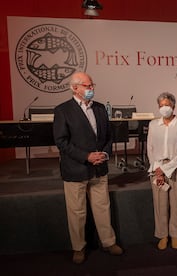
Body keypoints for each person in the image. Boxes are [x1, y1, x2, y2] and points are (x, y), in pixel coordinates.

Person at [53, 72, 123, 264]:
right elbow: (61, 142)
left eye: (92, 85)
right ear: (75, 88)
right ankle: (79, 247)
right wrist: (86, 157)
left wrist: (105, 154)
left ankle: (109, 242)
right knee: (77, 212)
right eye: (87, 86)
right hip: (75, 169)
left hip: (99, 169)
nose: (91, 89)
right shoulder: (62, 110)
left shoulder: (100, 108)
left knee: (103, 208)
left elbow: (108, 137)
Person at [147, 92, 177, 250]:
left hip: (176, 168)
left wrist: (167, 168)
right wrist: (157, 168)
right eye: (161, 105)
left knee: (175, 202)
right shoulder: (153, 125)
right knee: (160, 204)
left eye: (167, 105)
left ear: (173, 106)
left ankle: (174, 235)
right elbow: (150, 148)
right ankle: (163, 235)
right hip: (157, 169)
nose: (164, 108)